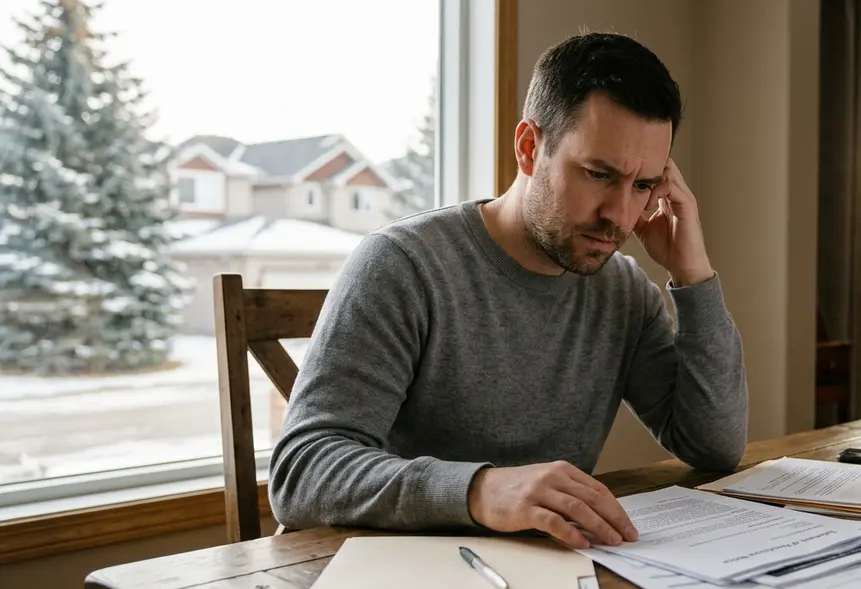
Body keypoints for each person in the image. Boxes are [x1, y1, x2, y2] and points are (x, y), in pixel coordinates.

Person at [268, 32, 748, 550]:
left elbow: (713, 448)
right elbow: (303, 471)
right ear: (528, 147)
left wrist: (693, 275)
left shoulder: (623, 291)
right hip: (400, 577)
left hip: (557, 577)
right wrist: (481, 489)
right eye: (598, 174)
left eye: (642, 185)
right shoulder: (404, 264)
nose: (622, 217)